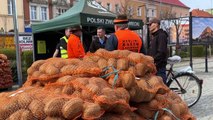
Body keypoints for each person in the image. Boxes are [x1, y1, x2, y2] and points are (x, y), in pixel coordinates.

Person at [147, 17, 168, 84]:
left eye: (150, 24)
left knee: (161, 89)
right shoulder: (154, 36)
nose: (149, 26)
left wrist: (153, 61)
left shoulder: (161, 36)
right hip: (154, 66)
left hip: (159, 67)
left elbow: (161, 52)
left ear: (156, 24)